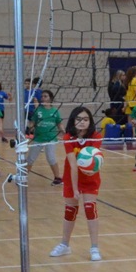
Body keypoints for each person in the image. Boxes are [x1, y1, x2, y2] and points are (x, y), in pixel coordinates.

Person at [49, 107, 104, 262]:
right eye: (78, 119)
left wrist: (91, 171)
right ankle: (64, 245)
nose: (82, 122)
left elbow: (94, 159)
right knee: (70, 210)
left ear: (90, 121)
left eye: (85, 119)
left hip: (90, 177)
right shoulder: (68, 138)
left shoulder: (96, 137)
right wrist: (74, 189)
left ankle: (94, 248)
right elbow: (73, 165)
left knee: (90, 208)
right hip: (71, 177)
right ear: (73, 121)